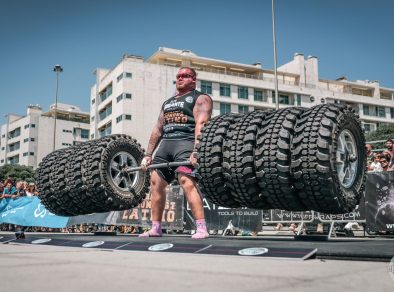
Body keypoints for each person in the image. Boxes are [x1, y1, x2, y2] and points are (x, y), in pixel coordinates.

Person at [139, 67, 213, 239]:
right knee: (156, 183)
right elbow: (158, 129)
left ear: (193, 79)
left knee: (186, 181)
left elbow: (201, 124)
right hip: (166, 145)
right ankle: (156, 228)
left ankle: (202, 228)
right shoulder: (168, 102)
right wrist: (148, 154)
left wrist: (197, 149)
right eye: (178, 76)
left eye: (185, 76)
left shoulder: (200, 98)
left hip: (186, 143)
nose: (180, 79)